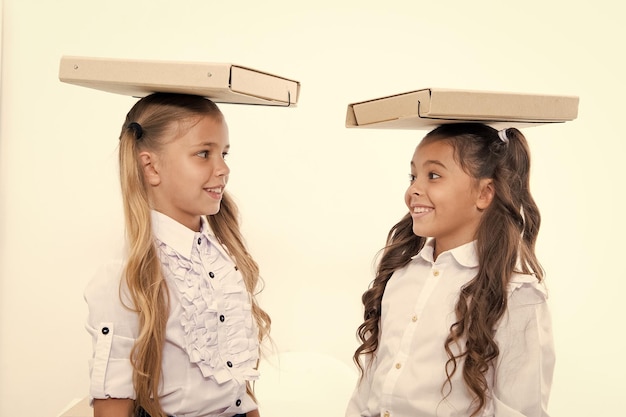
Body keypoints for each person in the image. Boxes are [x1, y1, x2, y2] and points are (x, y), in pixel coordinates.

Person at [346, 123, 555, 417]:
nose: (413, 190)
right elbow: (370, 388)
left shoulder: (516, 293)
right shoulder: (401, 274)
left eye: (433, 175)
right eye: (413, 176)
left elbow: (520, 409)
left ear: (484, 193)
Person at [84, 93, 271, 417]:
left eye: (224, 153)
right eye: (204, 154)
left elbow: (238, 390)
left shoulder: (223, 259)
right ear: (151, 166)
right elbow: (112, 405)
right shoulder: (126, 273)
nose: (223, 168)